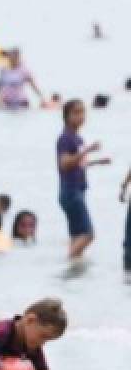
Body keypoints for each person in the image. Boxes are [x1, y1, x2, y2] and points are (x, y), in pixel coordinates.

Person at [57, 98, 111, 260]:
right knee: (88, 234)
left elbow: (78, 164)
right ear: (66, 116)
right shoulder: (65, 138)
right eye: (77, 112)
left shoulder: (77, 138)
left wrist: (97, 162)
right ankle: (68, 262)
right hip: (71, 191)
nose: (81, 116)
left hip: (78, 190)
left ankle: (74, 273)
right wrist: (88, 149)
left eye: (83, 112)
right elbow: (65, 164)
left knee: (76, 236)